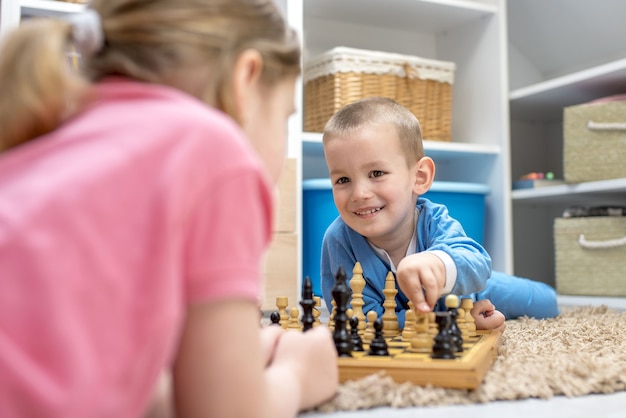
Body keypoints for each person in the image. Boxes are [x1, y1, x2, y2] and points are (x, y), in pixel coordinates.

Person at [0, 1, 338, 417]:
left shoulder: (49, 136)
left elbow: (111, 388)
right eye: (285, 116)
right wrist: (299, 375)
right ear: (245, 79)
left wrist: (229, 363)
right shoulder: (213, 147)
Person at [319, 97, 560, 331]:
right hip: (449, 313)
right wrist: (458, 321)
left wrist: (438, 262)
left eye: (376, 173)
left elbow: (477, 263)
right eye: (343, 179)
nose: (359, 193)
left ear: (420, 177)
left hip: (472, 292)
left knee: (546, 302)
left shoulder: (433, 219)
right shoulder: (338, 240)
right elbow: (362, 320)